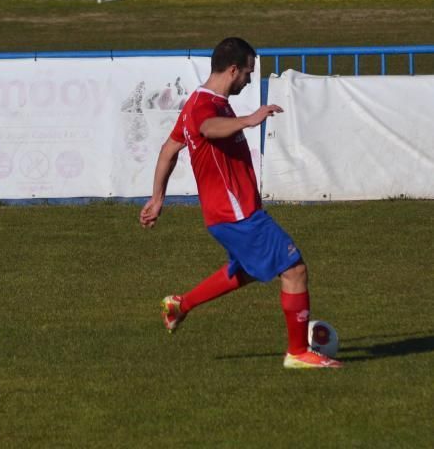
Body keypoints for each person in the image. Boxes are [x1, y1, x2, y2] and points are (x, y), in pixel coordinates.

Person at [139, 37, 342, 369]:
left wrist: (158, 198)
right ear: (232, 70)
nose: (249, 80)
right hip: (236, 214)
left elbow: (168, 151)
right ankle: (298, 352)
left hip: (226, 214)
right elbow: (209, 128)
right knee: (294, 269)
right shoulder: (206, 107)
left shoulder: (198, 102)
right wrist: (249, 119)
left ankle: (180, 305)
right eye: (248, 72)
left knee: (245, 270)